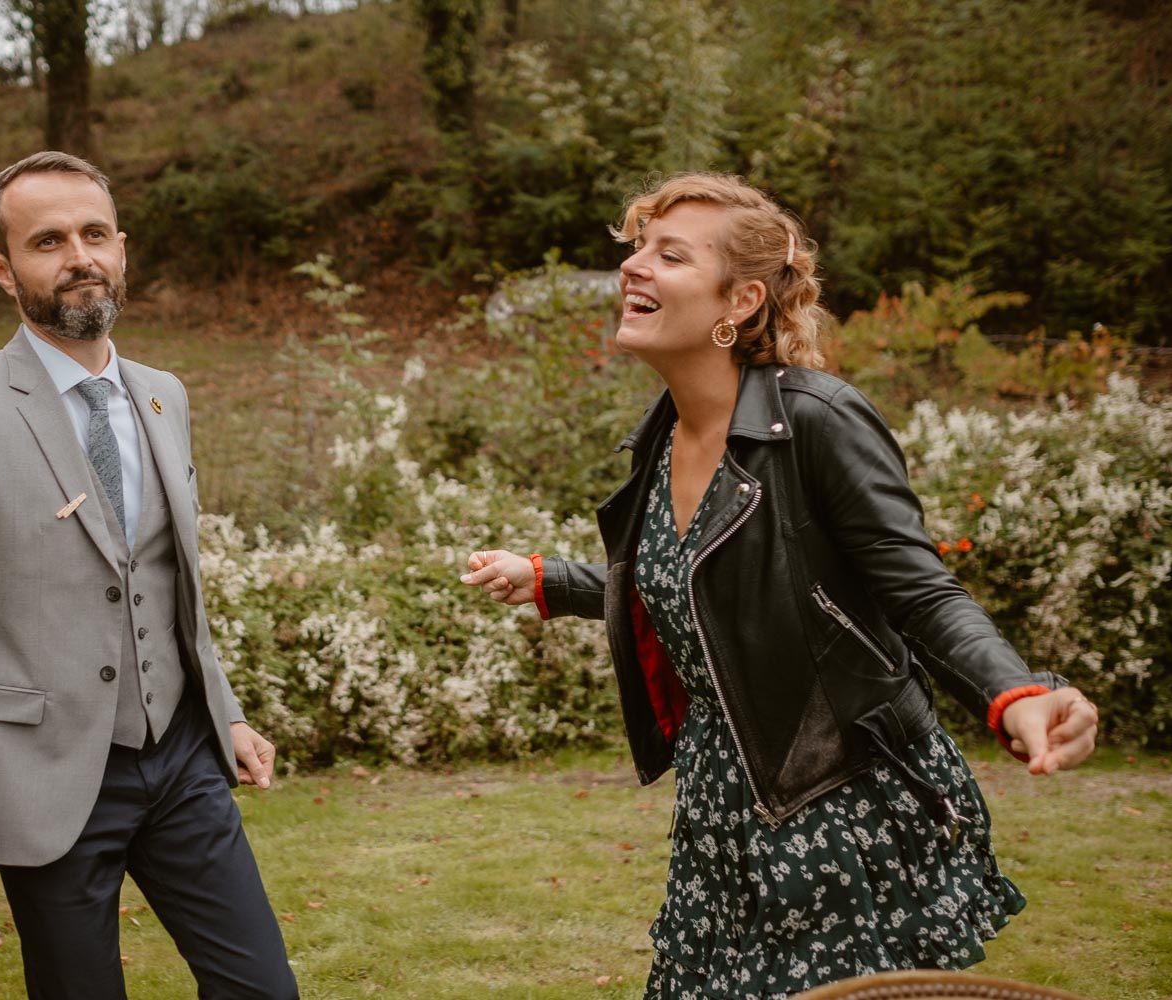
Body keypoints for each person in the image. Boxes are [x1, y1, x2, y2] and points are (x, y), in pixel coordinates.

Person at [460, 173, 1098, 997]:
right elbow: (701, 581)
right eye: (636, 249)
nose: (633, 267)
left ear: (742, 299)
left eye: (670, 254)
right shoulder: (659, 443)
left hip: (836, 801)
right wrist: (552, 581)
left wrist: (1013, 691)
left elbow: (918, 590)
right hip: (721, 810)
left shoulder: (817, 421)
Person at [0, 151, 297, 1000]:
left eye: (94, 233)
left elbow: (172, 582)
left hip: (183, 760)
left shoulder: (163, 395)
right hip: (48, 777)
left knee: (263, 989)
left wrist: (226, 714)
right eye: (47, 240)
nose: (78, 255)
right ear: (3, 270)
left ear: (122, 249)